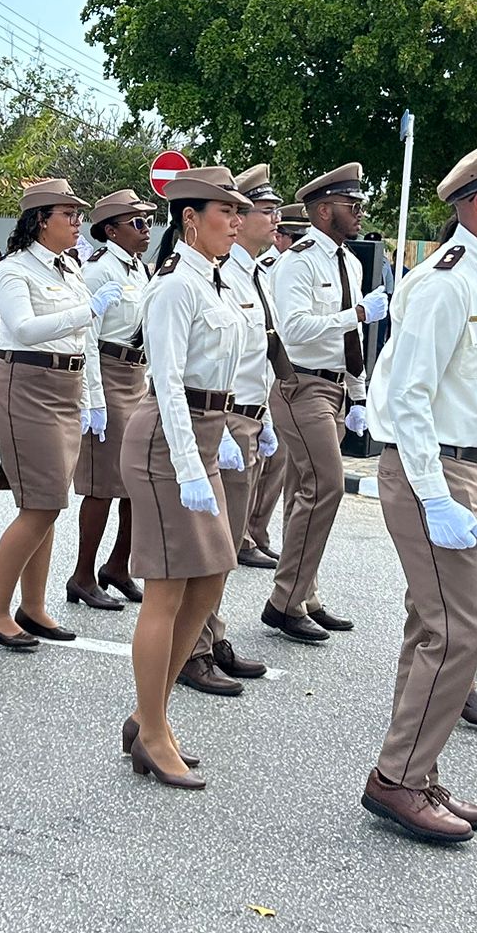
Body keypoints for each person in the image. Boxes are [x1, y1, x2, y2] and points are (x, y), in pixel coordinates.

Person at [360, 123, 477, 844]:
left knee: (433, 628)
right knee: (459, 630)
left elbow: (470, 390)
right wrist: (435, 497)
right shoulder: (442, 284)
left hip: (463, 464)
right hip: (427, 470)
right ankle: (396, 780)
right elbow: (405, 395)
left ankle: (417, 770)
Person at [120, 167, 251, 789]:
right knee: (168, 589)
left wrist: (220, 435)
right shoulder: (176, 285)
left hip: (201, 432)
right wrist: (189, 463)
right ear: (190, 218)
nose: (235, 219)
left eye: (237, 210)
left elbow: (211, 377)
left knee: (210, 578)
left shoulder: (218, 284)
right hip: (165, 444)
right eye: (224, 211)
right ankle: (151, 731)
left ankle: (150, 713)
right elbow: (168, 382)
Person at [0, 179, 117, 652]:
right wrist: (86, 312)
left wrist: (93, 398)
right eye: (69, 215)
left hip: (66, 385)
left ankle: (32, 606)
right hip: (28, 386)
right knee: (42, 504)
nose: (78, 223)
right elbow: (22, 327)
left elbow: (88, 345)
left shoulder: (70, 269)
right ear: (41, 220)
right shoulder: (14, 270)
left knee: (47, 504)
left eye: (79, 215)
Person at [261, 162, 387, 643]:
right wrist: (355, 312)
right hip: (302, 385)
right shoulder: (299, 261)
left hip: (335, 387)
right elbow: (293, 330)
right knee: (327, 486)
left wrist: (357, 395)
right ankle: (285, 600)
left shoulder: (350, 262)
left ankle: (305, 594)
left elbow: (350, 338)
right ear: (322, 210)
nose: (360, 213)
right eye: (351, 205)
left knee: (303, 492)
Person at [179, 163, 285, 696]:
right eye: (251, 210)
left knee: (229, 542)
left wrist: (263, 415)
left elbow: (255, 356)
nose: (265, 219)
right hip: (224, 419)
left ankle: (211, 634)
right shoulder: (216, 273)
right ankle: (192, 649)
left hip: (248, 416)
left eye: (258, 211)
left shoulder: (256, 272)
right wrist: (227, 423)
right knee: (213, 546)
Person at [67, 187, 157, 610]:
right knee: (103, 483)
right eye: (137, 223)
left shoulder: (139, 269)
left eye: (147, 222)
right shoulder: (99, 271)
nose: (146, 230)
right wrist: (94, 398)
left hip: (136, 373)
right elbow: (86, 338)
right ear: (110, 230)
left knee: (136, 481)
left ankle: (118, 566)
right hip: (108, 370)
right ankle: (83, 574)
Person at [240, 202, 309, 567]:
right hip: (235, 402)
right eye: (293, 236)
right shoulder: (264, 271)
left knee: (275, 463)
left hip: (270, 387)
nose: (292, 239)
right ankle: (245, 535)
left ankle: (256, 531)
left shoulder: (261, 275)